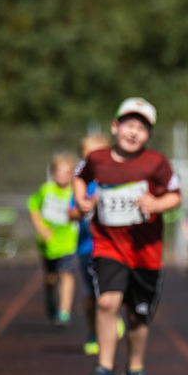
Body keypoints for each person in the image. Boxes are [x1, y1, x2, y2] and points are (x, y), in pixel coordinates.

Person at [74, 98, 182, 375]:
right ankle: (104, 368)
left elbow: (175, 195)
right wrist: (82, 199)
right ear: (115, 126)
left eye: (142, 128)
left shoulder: (156, 163)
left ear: (149, 135)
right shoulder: (97, 159)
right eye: (129, 125)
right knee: (107, 302)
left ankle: (135, 369)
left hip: (145, 251)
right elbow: (79, 177)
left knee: (137, 316)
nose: (134, 132)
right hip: (108, 245)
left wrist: (157, 204)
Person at [72, 133, 113, 354]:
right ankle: (93, 333)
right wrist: (84, 207)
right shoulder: (81, 182)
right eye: (87, 154)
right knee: (91, 294)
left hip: (113, 246)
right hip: (87, 247)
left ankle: (111, 319)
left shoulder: (116, 180)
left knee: (111, 292)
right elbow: (70, 212)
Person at [27, 152, 79, 328]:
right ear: (53, 172)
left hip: (68, 242)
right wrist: (42, 229)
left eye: (66, 172)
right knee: (51, 277)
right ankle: (50, 300)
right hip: (48, 242)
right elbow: (33, 207)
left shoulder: (75, 192)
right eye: (58, 171)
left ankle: (64, 311)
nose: (62, 175)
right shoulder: (46, 190)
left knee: (67, 273)